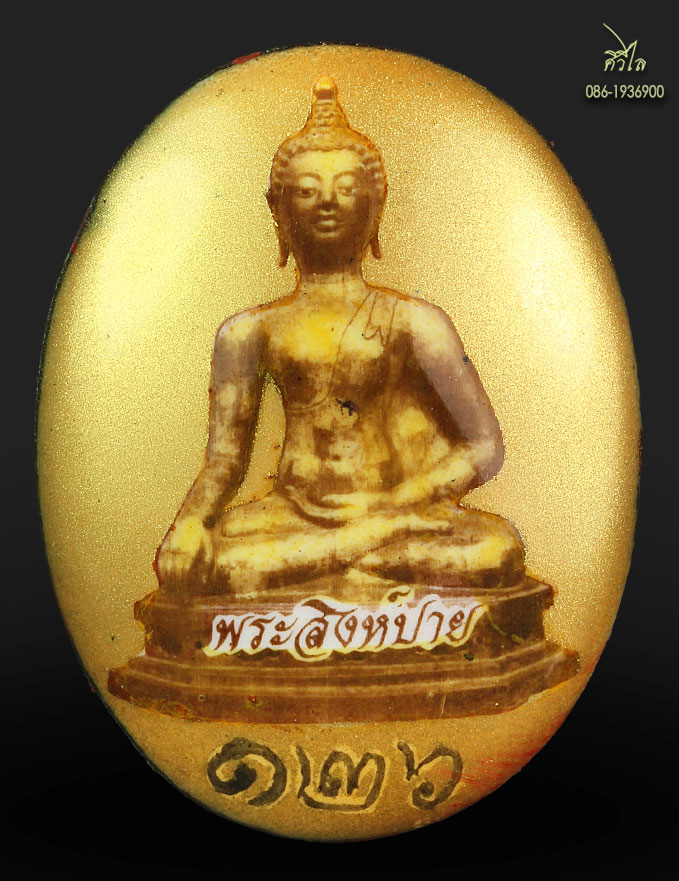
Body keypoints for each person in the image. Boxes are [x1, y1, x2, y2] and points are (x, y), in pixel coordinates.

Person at [156, 77, 524, 600]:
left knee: (495, 549)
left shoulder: (414, 320)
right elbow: (225, 461)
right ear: (278, 210)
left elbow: (485, 446)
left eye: (347, 189)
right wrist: (190, 523)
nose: (327, 202)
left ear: (376, 207)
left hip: (395, 510)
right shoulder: (249, 331)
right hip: (293, 517)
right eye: (307, 191)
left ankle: (339, 556)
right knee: (201, 560)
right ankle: (356, 554)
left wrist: (397, 505)